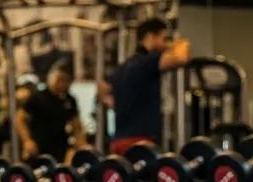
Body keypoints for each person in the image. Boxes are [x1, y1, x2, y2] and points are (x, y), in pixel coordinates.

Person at [101, 19, 190, 154]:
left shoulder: (123, 67)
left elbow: (102, 87)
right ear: (150, 37)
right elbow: (181, 57)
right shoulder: (147, 62)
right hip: (140, 142)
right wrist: (180, 42)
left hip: (118, 141)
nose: (166, 44)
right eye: (164, 39)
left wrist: (114, 103)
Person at [14, 61, 87, 162]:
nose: (63, 84)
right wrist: (27, 140)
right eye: (61, 80)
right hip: (38, 147)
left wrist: (82, 146)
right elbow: (19, 118)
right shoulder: (38, 97)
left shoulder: (70, 100)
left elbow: (76, 126)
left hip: (60, 148)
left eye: (67, 80)